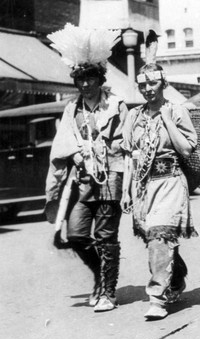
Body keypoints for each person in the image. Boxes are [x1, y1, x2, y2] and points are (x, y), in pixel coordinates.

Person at [45, 25, 127, 312]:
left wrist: (107, 147)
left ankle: (108, 290)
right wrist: (76, 154)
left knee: (106, 236)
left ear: (99, 78)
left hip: (110, 177)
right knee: (78, 234)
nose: (85, 84)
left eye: (90, 78)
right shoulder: (72, 109)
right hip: (83, 181)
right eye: (80, 79)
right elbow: (64, 139)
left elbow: (126, 139)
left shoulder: (115, 105)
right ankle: (98, 274)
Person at [121, 59, 198, 320]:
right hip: (143, 185)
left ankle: (156, 298)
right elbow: (130, 156)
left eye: (153, 83)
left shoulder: (176, 111)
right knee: (155, 239)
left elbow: (187, 148)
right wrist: (125, 191)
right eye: (143, 84)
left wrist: (168, 121)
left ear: (163, 83)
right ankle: (175, 280)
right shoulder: (134, 116)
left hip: (170, 181)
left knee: (159, 238)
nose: (148, 88)